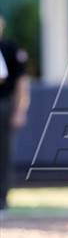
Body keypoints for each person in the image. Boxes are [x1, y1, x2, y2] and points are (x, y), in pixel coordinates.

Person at [0, 15, 30, 212]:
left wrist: (20, 110)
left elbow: (21, 83)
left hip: (3, 104)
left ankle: (2, 199)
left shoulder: (10, 48)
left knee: (3, 153)